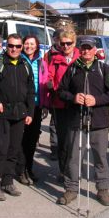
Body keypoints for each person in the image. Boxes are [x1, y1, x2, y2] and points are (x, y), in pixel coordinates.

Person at [56, 37, 109, 207]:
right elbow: (61, 91)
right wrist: (73, 98)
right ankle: (71, 189)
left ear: (94, 50)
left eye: (89, 48)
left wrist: (97, 100)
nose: (86, 51)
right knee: (74, 158)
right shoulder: (72, 69)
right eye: (83, 48)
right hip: (77, 120)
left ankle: (103, 189)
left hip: (99, 121)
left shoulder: (104, 68)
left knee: (100, 157)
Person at [0, 33, 34, 201]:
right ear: (6, 46)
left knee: (14, 149)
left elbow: (31, 91)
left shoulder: (25, 64)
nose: (15, 49)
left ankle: (8, 181)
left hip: (20, 114)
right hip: (1, 113)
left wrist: (30, 112)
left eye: (18, 46)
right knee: (2, 148)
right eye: (11, 46)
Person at [16, 34, 50, 185]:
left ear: (37, 46)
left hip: (36, 106)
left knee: (32, 140)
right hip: (21, 106)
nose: (29, 46)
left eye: (32, 44)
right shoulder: (19, 60)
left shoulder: (41, 63)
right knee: (21, 140)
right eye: (26, 44)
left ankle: (29, 168)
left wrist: (45, 104)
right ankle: (21, 170)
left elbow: (45, 83)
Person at [47, 30, 80, 180]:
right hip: (59, 103)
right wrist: (51, 86)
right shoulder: (55, 59)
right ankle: (63, 170)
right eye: (63, 43)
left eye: (69, 43)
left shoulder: (81, 58)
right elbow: (49, 76)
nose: (66, 46)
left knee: (75, 140)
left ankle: (73, 170)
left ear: (74, 43)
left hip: (77, 104)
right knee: (63, 140)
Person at [45, 29, 63, 160]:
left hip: (67, 95)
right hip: (54, 94)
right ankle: (55, 148)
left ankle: (64, 148)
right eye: (57, 38)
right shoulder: (48, 55)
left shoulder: (69, 52)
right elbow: (44, 73)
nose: (60, 41)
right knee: (54, 123)